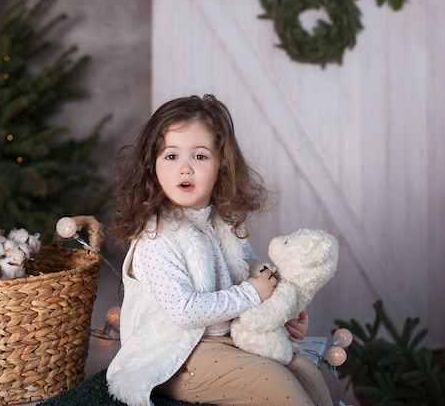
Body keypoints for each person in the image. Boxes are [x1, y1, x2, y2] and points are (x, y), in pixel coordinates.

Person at [105, 94, 333, 406]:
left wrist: (282, 311)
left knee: (309, 373)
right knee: (276, 382)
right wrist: (253, 294)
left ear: (222, 166)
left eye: (199, 157)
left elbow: (251, 273)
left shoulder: (221, 224)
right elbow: (185, 311)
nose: (185, 169)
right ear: (152, 166)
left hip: (225, 339)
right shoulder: (156, 237)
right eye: (171, 156)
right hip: (175, 355)